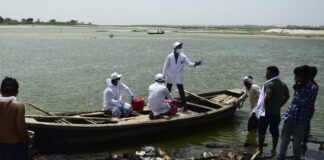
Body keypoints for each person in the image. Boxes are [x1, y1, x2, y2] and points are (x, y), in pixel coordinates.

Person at [277, 65, 318, 160]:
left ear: (305, 76)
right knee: (284, 141)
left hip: (300, 120)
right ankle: (280, 157)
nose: (296, 78)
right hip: (289, 117)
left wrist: (297, 91)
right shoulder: (298, 86)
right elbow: (293, 103)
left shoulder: (312, 88)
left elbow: (304, 104)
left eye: (298, 76)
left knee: (296, 145)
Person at [255, 66, 290, 156]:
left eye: (267, 73)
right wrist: (280, 105)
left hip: (266, 113)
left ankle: (260, 149)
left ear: (272, 73)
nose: (266, 75)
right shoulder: (283, 84)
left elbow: (268, 95)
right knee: (275, 132)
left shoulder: (269, 84)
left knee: (261, 131)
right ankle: (274, 149)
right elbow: (287, 96)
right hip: (276, 113)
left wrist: (264, 109)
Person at [162, 42, 202, 110]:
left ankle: (184, 106)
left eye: (180, 47)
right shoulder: (169, 56)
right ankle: (165, 105)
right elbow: (165, 66)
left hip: (179, 76)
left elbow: (189, 64)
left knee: (181, 91)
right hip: (170, 75)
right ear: (174, 48)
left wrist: (195, 64)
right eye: (179, 47)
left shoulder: (183, 56)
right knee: (168, 91)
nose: (180, 48)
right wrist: (163, 76)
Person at [0, 77, 32, 160]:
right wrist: (29, 142)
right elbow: (21, 130)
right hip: (14, 147)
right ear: (17, 92)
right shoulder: (18, 106)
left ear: (1, 91)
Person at [302, 66, 319, 150]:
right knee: (305, 126)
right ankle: (303, 142)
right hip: (310, 108)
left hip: (308, 109)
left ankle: (304, 143)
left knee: (306, 126)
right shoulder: (311, 83)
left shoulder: (313, 85)